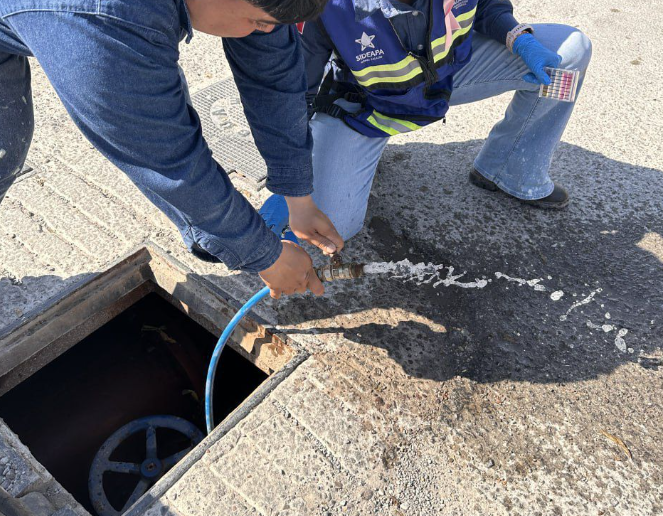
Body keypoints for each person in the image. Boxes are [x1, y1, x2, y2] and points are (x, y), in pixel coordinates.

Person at [0, 0, 344, 299]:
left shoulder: (255, 4)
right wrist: (264, 255)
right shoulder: (105, 27)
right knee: (5, 146)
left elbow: (272, 76)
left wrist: (297, 195)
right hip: (83, 17)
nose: (268, 31)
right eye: (259, 22)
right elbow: (170, 163)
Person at [302, 0, 592, 241]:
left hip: (443, 78)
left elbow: (487, 5)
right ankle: (345, 159)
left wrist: (519, 39)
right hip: (364, 106)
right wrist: (294, 180)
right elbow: (293, 93)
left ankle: (510, 171)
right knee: (330, 228)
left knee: (567, 56)